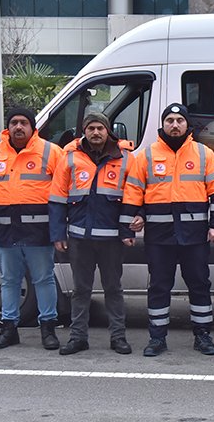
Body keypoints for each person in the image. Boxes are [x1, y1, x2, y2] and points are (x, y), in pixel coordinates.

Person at [122, 103, 214, 357]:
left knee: (199, 285)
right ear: (163, 124)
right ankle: (157, 338)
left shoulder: (204, 154)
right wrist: (127, 227)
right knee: (159, 286)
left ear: (187, 125)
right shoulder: (146, 156)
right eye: (170, 120)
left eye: (180, 120)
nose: (175, 125)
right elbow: (133, 191)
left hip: (195, 236)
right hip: (160, 238)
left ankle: (203, 336)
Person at [49, 112, 133, 355]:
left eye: (100, 128)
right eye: (91, 128)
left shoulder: (126, 159)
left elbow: (134, 196)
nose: (96, 132)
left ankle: (118, 337)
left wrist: (128, 228)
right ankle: (78, 338)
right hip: (79, 238)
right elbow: (56, 199)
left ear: (108, 131)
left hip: (112, 239)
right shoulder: (70, 158)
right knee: (80, 290)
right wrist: (58, 234)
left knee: (114, 289)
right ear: (84, 131)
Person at [0, 108, 64, 350]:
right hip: (7, 230)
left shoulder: (50, 151)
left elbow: (61, 187)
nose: (19, 127)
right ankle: (9, 329)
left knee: (44, 279)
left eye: (23, 123)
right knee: (9, 281)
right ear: (8, 127)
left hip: (39, 231)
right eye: (14, 122)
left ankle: (48, 328)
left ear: (32, 127)